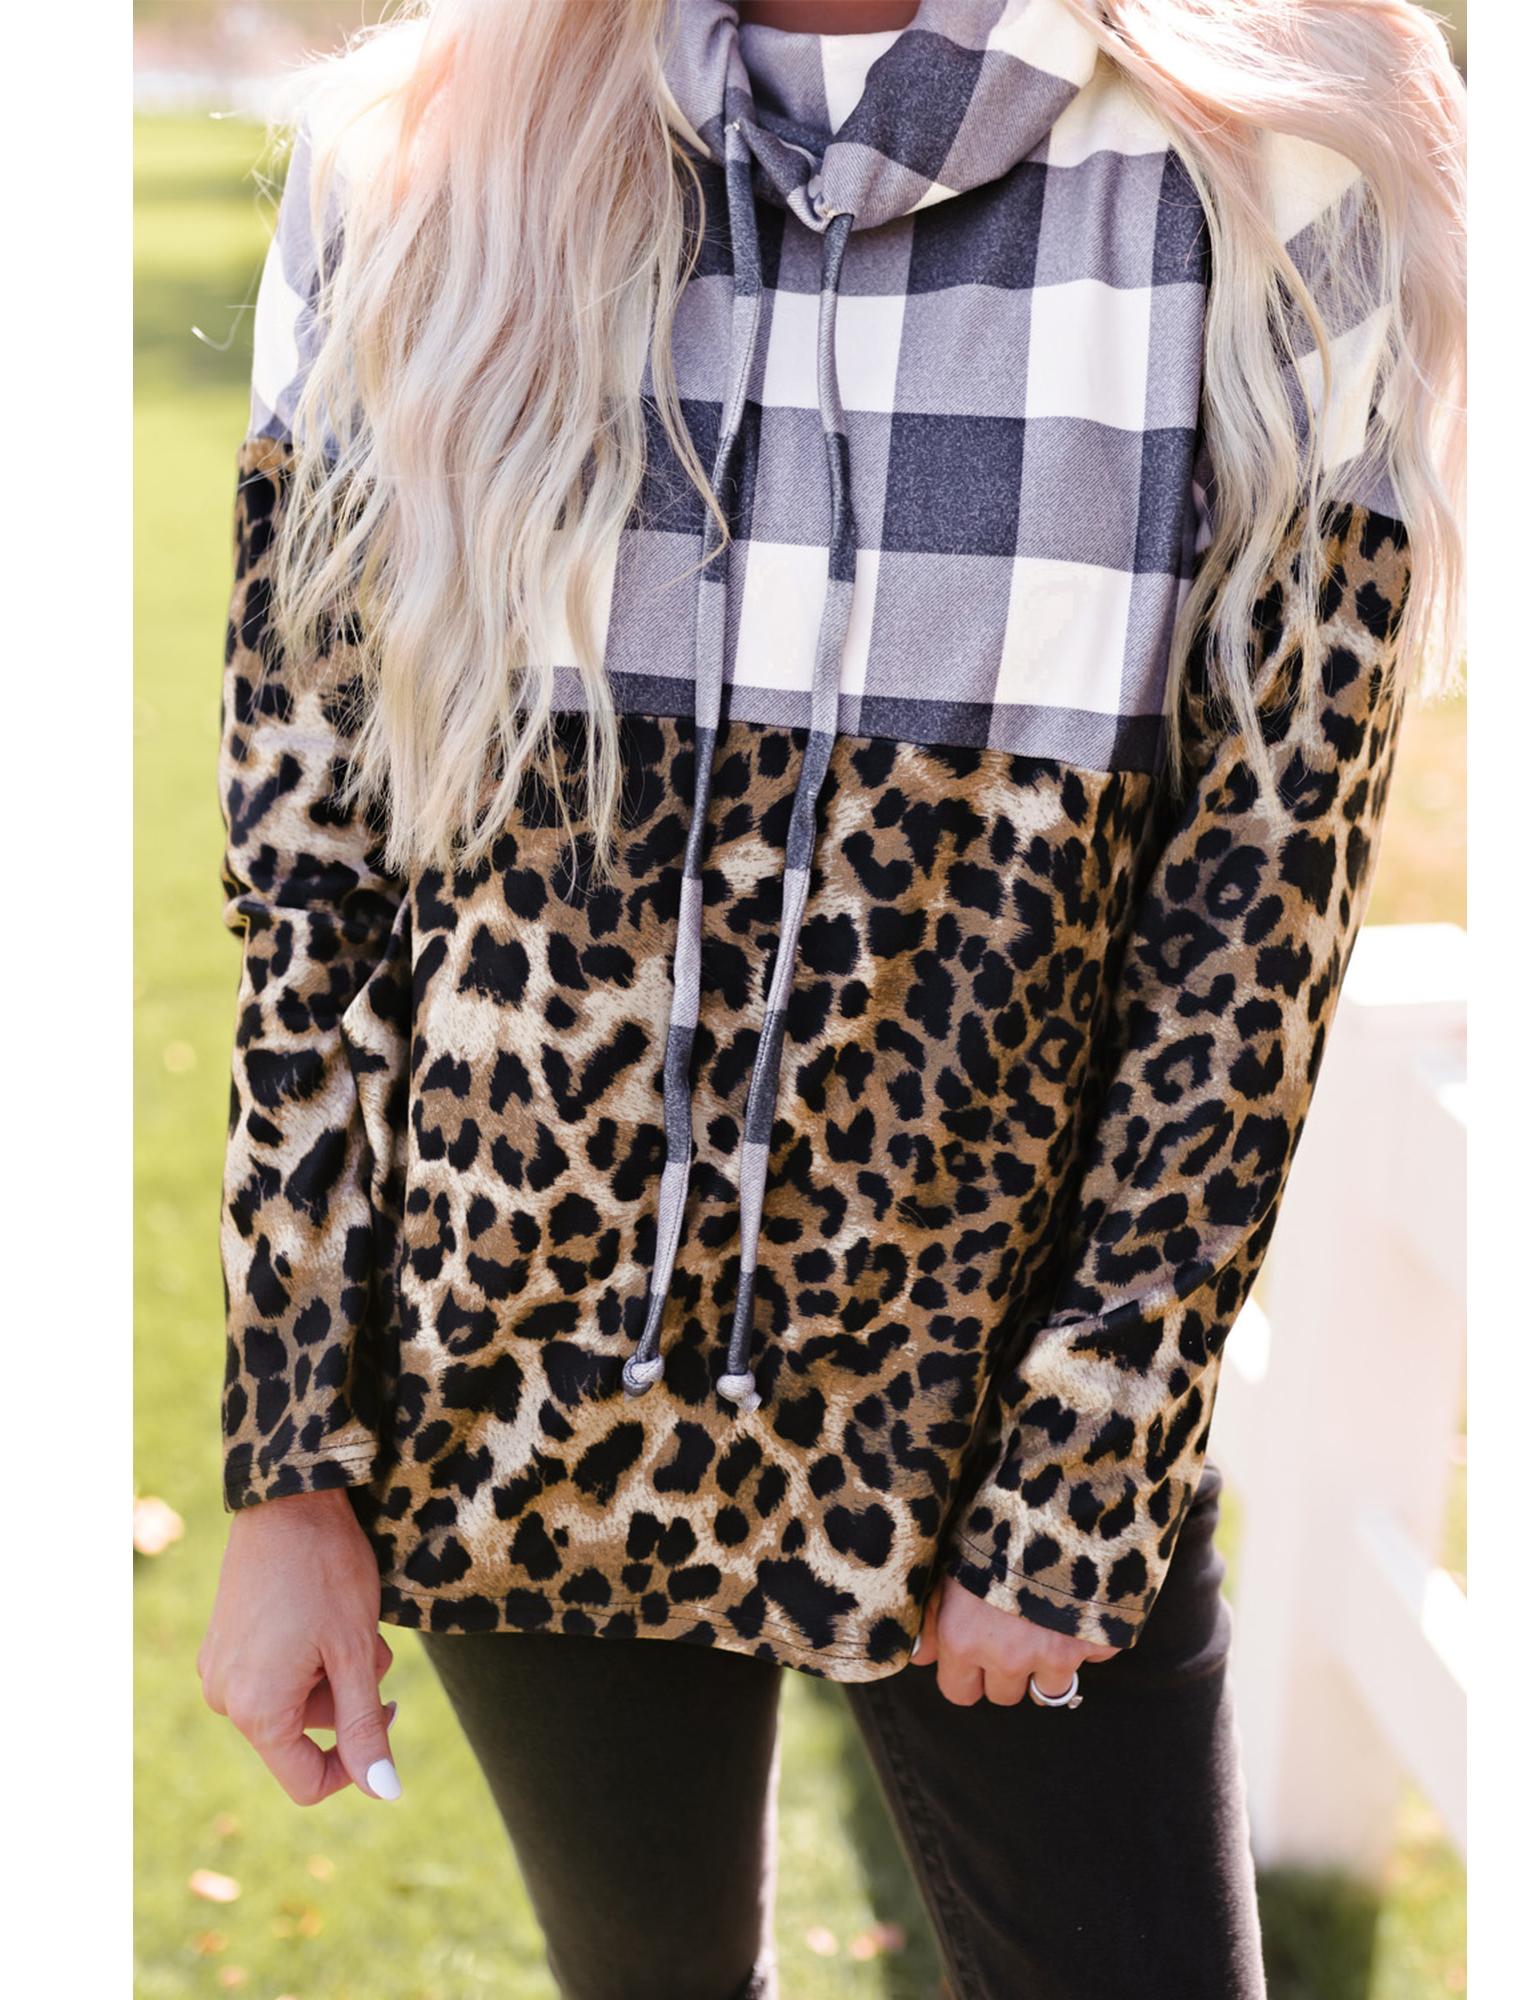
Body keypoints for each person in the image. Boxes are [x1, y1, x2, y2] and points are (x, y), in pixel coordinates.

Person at [196, 2, 1466, 1993]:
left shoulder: (1267, 179)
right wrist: (288, 1470)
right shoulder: (411, 165)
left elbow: (1257, 914)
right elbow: (311, 883)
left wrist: (1081, 1472)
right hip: (519, 1375)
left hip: (994, 1414)